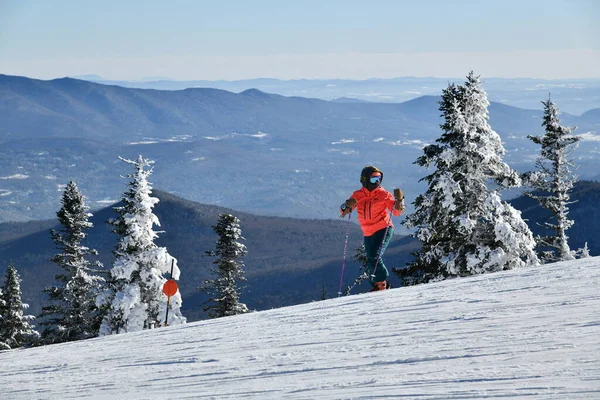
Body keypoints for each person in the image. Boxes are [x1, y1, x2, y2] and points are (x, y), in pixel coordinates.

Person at [340, 165, 405, 291]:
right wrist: (346, 205)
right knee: (370, 259)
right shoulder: (357, 195)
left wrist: (400, 201)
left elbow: (396, 212)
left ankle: (381, 284)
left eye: (379, 179)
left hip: (383, 228)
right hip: (368, 232)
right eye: (374, 179)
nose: (377, 182)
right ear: (364, 180)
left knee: (375, 257)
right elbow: (343, 212)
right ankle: (376, 285)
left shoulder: (383, 194)